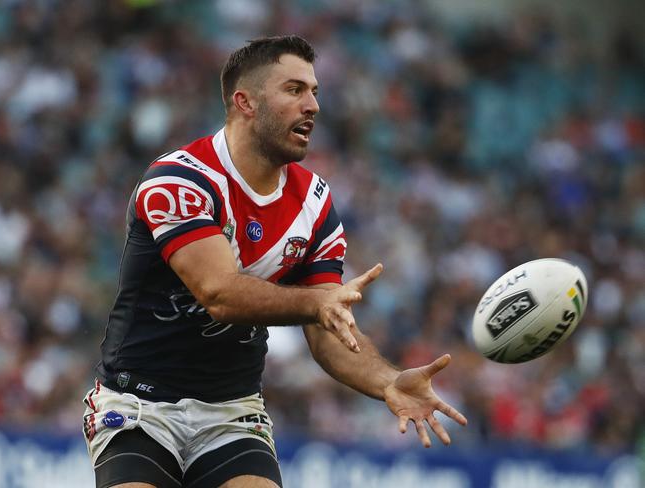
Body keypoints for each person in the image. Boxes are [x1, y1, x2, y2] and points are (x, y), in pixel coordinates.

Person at [82, 35, 467, 488]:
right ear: (245, 102)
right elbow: (218, 293)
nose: (313, 106)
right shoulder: (179, 181)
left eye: (315, 92)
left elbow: (329, 332)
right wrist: (313, 304)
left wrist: (387, 381)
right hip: (138, 404)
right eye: (294, 90)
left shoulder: (315, 205)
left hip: (231, 411)